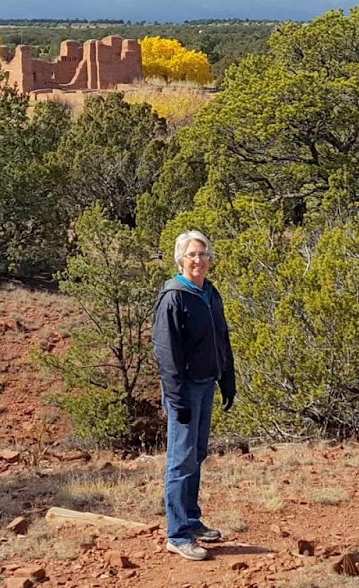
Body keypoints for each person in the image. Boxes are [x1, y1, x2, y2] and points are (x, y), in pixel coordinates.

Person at [151, 229, 237, 561]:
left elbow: (221, 338)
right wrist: (177, 399)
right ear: (180, 260)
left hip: (206, 383)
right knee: (181, 460)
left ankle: (191, 520)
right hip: (184, 389)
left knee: (196, 454)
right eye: (191, 254)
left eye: (202, 254)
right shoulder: (174, 297)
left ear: (210, 259)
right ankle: (177, 535)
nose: (198, 260)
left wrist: (227, 379)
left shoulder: (210, 293)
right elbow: (166, 353)